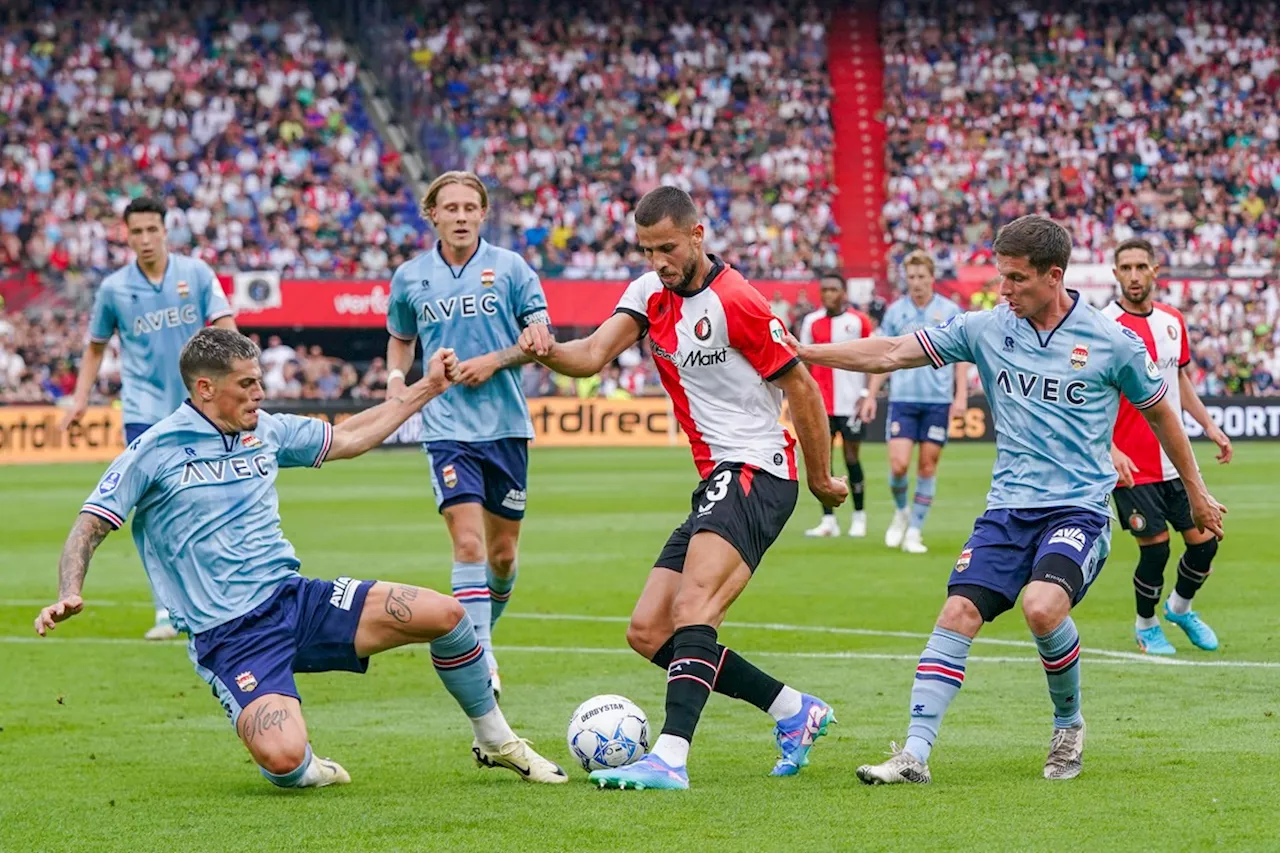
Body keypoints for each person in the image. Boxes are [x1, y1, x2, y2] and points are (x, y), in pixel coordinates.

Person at [788, 216, 1225, 783]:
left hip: (1079, 510)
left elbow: (1163, 411)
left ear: (1054, 277)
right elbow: (893, 351)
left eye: (1016, 279)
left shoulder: (1110, 341)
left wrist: (1197, 491)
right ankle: (914, 755)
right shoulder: (988, 327)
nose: (1004, 290)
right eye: (1002, 276)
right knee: (957, 612)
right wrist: (805, 352)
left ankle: (1069, 724)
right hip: (1007, 509)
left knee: (1042, 608)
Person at [34, 328, 567, 788]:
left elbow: (353, 435)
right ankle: (307, 766)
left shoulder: (264, 430)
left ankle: (497, 740)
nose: (259, 394)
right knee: (285, 762)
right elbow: (90, 524)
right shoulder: (155, 449)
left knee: (446, 615)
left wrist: (429, 386)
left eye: (259, 380)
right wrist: (68, 590)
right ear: (205, 388)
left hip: (297, 600)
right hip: (229, 636)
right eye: (247, 384)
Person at [518, 186, 848, 791]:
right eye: (646, 250)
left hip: (758, 470)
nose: (657, 262)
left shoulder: (739, 301)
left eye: (667, 248)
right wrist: (540, 351)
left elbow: (801, 387)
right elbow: (591, 355)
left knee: (694, 610)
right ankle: (793, 710)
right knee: (649, 631)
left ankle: (670, 755)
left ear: (698, 236)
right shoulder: (648, 293)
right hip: (717, 480)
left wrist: (824, 477)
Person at [385, 171, 551, 701]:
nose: (459, 216)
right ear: (431, 214)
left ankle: (485, 630)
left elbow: (540, 337)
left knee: (502, 556)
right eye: (449, 207)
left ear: (483, 214)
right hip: (446, 428)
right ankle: (481, 656)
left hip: (505, 427)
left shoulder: (511, 268)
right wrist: (396, 382)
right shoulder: (411, 277)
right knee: (468, 543)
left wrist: (495, 360)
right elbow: (400, 340)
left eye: (468, 207)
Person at [61, 196, 238, 640]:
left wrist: (239, 379)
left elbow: (224, 324)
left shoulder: (195, 274)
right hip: (143, 413)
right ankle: (166, 610)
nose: (144, 239)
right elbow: (96, 347)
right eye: (135, 232)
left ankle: (219, 595)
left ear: (165, 230)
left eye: (151, 230)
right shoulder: (114, 289)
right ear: (126, 235)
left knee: (209, 501)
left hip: (199, 408)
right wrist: (80, 399)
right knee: (152, 510)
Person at [1102, 238, 1233, 655]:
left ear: (1156, 271)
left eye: (1142, 266)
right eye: (1127, 268)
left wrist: (1209, 425)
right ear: (1116, 273)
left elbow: (1177, 380)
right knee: (1155, 551)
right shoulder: (1102, 324)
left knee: (1205, 541)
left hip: (1176, 462)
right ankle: (1146, 625)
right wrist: (1109, 448)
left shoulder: (1173, 321)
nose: (1135, 276)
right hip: (1132, 464)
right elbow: (1088, 394)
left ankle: (1180, 607)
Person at [859, 251, 969, 554]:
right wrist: (870, 395)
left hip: (937, 401)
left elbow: (961, 356)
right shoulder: (896, 312)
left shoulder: (948, 310)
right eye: (912, 277)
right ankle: (901, 512)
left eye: (922, 277)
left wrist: (960, 396)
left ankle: (915, 531)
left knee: (927, 466)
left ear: (932, 278)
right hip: (904, 399)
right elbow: (883, 356)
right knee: (898, 465)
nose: (917, 283)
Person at [798, 271, 873, 538]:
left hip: (850, 402)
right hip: (820, 404)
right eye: (825, 289)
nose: (828, 294)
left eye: (834, 289)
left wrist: (866, 393)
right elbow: (803, 362)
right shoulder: (811, 322)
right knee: (822, 461)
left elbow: (873, 356)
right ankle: (828, 520)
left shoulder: (858, 321)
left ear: (843, 293)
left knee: (852, 458)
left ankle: (859, 516)